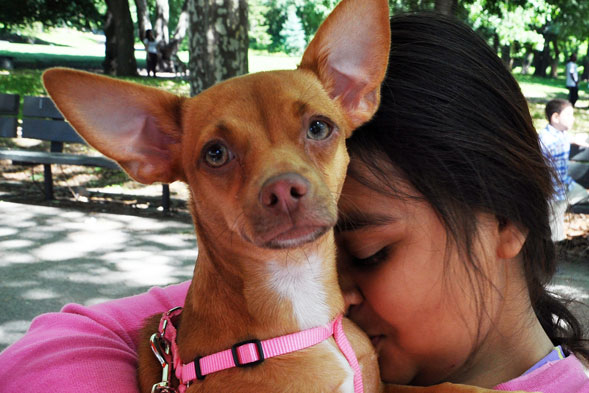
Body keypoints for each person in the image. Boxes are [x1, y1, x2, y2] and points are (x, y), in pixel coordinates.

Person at [1, 13, 588, 393]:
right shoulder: (273, 315)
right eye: (218, 155)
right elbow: (57, 342)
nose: (282, 186)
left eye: (367, 251)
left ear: (505, 220)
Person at [539, 99, 589, 241]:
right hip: (552, 194)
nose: (573, 119)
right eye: (568, 115)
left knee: (583, 195)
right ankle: (554, 252)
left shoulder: (561, 134)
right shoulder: (545, 141)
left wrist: (577, 140)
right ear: (555, 117)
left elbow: (569, 138)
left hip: (567, 186)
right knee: (555, 230)